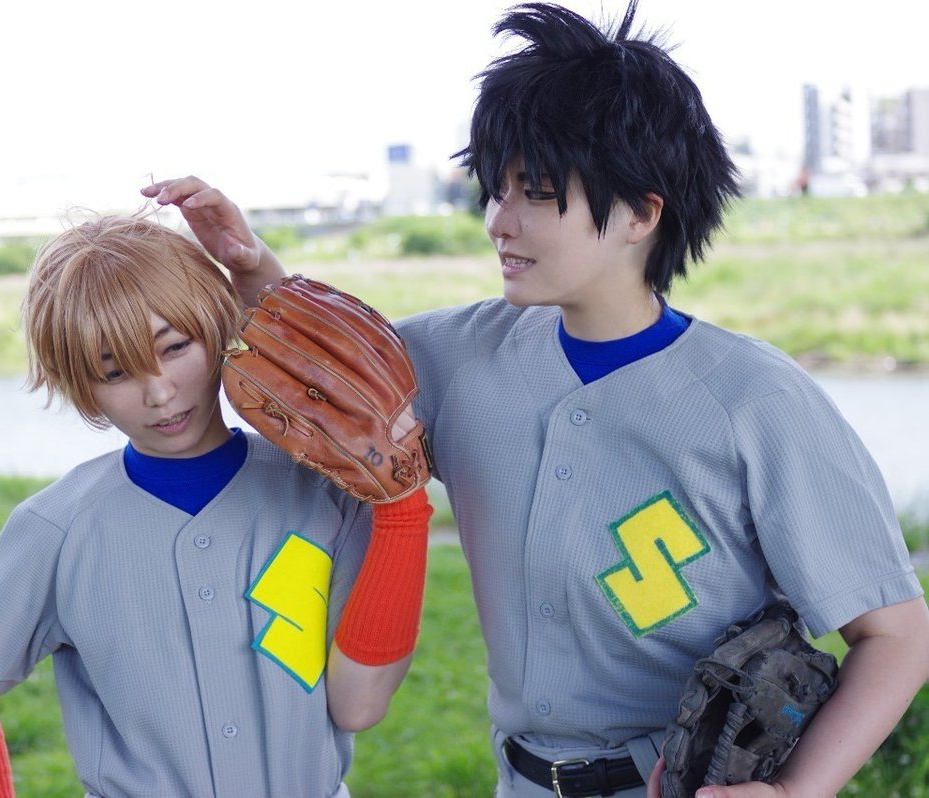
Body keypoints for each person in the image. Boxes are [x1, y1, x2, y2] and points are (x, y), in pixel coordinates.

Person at [141, 3, 929, 796]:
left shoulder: (758, 401)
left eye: (537, 192)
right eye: (496, 188)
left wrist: (794, 791)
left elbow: (898, 634)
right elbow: (331, 377)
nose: (498, 220)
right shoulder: (456, 357)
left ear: (640, 213)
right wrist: (250, 266)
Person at [0, 214, 432, 797]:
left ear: (217, 327)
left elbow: (359, 704)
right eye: (115, 371)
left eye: (175, 347)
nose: (159, 392)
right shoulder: (56, 529)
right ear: (80, 384)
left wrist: (402, 508)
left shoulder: (323, 491)